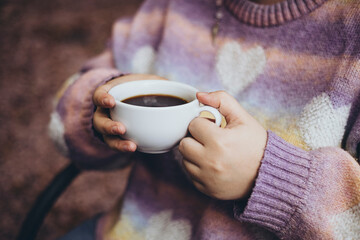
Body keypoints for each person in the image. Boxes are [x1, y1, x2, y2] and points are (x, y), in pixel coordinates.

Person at [48, 0, 360, 239]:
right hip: (133, 229)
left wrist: (273, 179)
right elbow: (61, 124)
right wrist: (96, 108)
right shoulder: (170, 8)